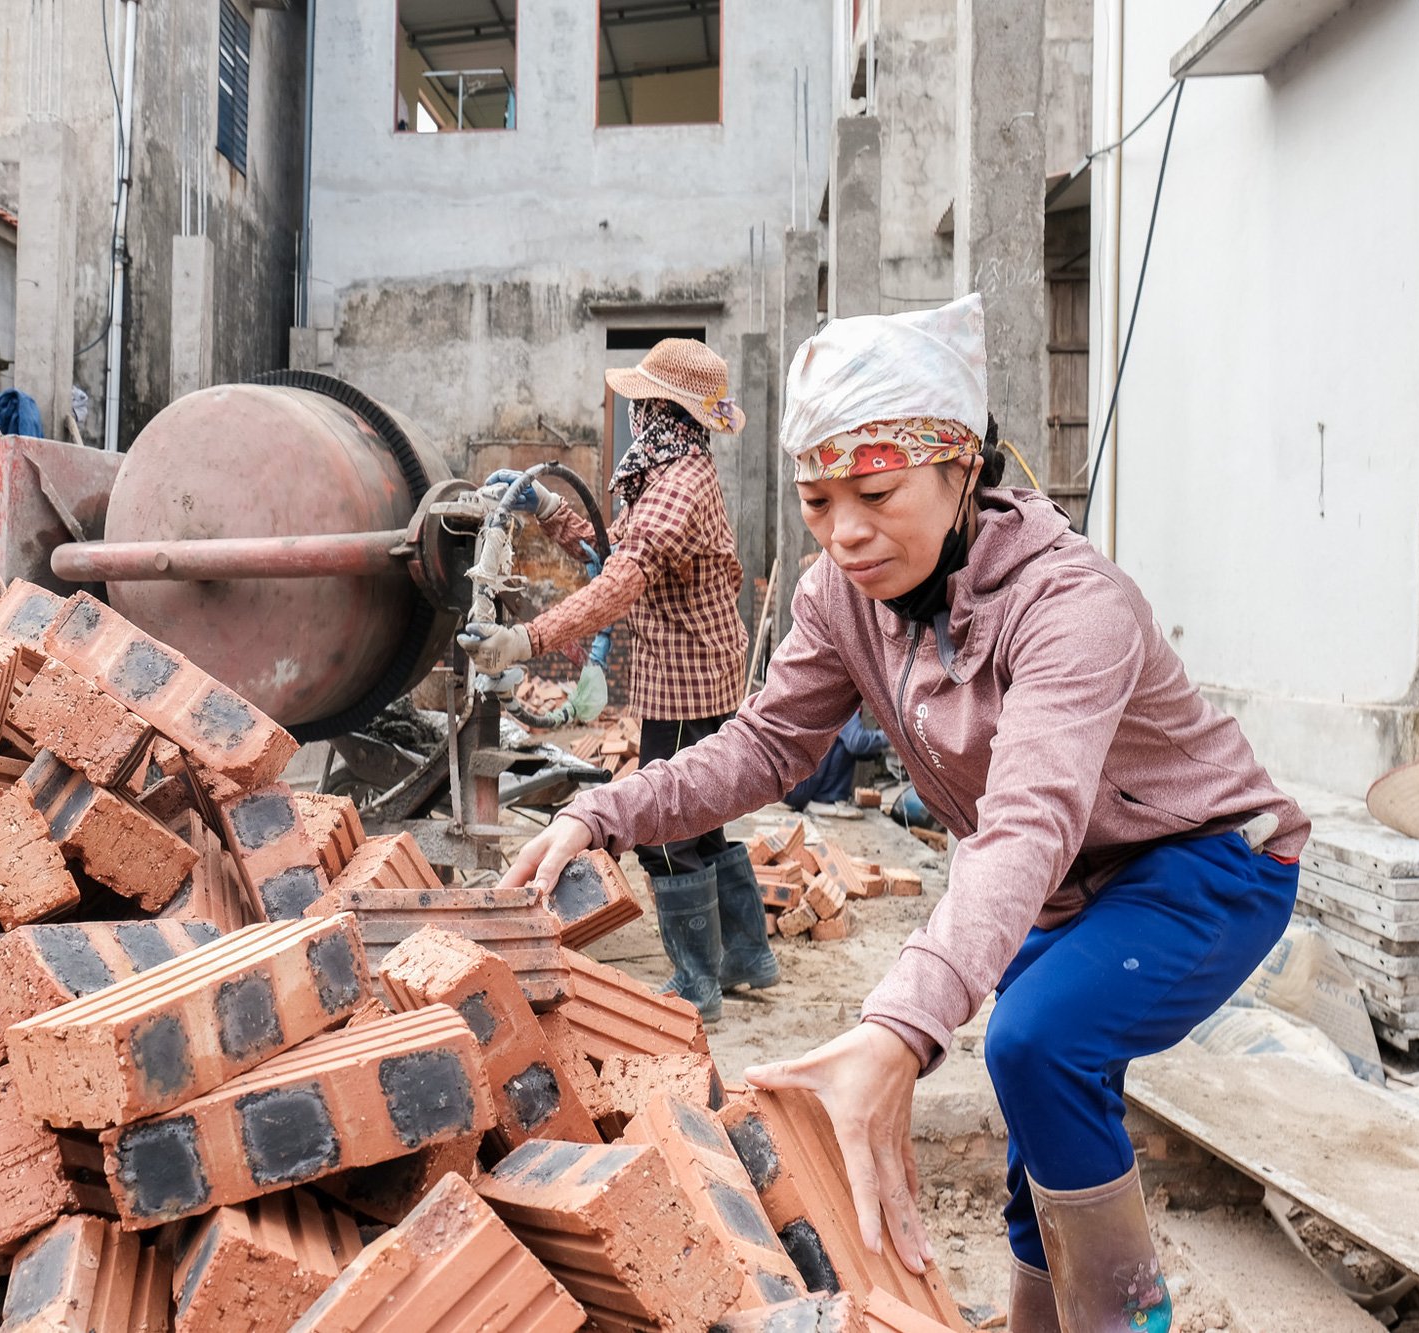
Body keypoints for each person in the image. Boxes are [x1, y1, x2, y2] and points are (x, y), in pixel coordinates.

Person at [503, 294, 1307, 1333]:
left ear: (959, 467)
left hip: (1206, 863)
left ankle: (1120, 1320)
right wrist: (603, 811)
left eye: (874, 491)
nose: (843, 531)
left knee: (1033, 1040)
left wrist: (895, 1027)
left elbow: (1024, 818)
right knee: (1041, 1114)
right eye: (816, 500)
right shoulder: (838, 597)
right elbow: (766, 745)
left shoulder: (1071, 605)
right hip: (1071, 890)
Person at [459, 337, 776, 1024]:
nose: (634, 414)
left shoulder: (679, 485)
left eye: (641, 403)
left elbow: (620, 580)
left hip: (688, 678)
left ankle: (699, 983)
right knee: (704, 817)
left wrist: (527, 637)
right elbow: (615, 547)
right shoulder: (672, 471)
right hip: (698, 669)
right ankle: (748, 954)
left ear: (661, 410)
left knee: (667, 829)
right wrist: (546, 506)